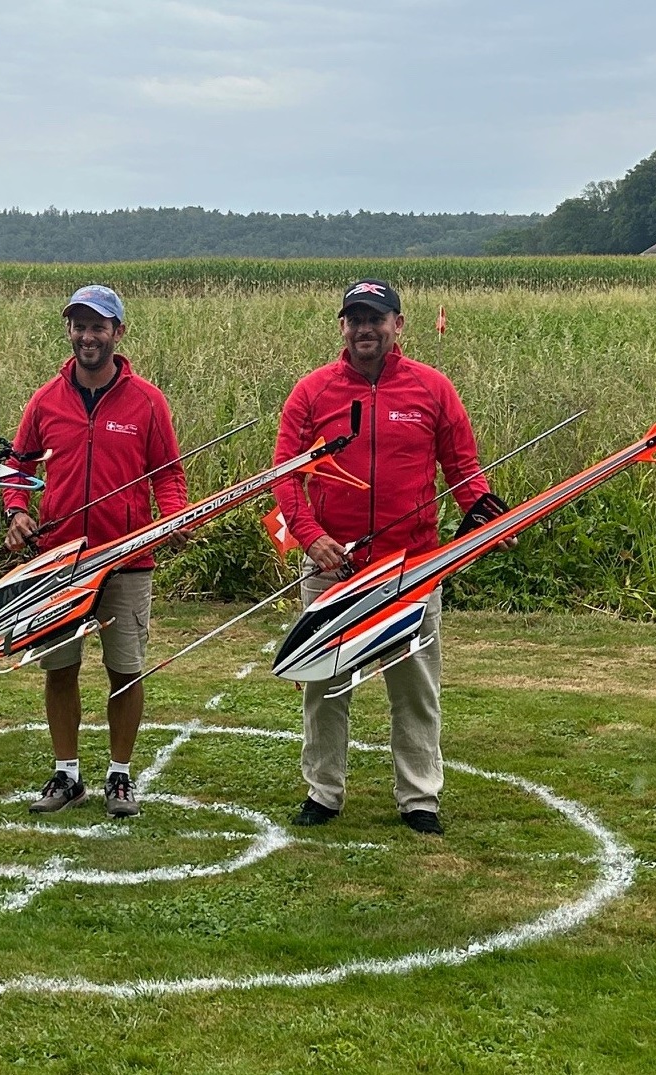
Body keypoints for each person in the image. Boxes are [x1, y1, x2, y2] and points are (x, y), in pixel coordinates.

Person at [269, 279, 508, 835]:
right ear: (342, 327)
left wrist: (487, 516)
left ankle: (419, 798)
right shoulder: (312, 392)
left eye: (375, 318)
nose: (364, 329)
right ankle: (323, 793)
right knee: (324, 686)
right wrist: (311, 536)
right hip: (335, 567)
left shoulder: (432, 388)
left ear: (398, 324)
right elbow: (286, 475)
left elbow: (464, 468)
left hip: (415, 565)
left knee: (415, 689)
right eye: (354, 319)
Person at [2, 285, 187, 818]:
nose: (88, 336)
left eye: (98, 326)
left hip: (128, 559)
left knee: (125, 670)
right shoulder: (45, 400)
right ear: (71, 331)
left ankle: (120, 777)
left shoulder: (147, 401)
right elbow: (19, 468)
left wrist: (174, 514)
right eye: (79, 325)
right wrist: (17, 511)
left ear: (117, 333)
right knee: (60, 668)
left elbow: (168, 474)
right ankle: (66, 775)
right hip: (59, 562)